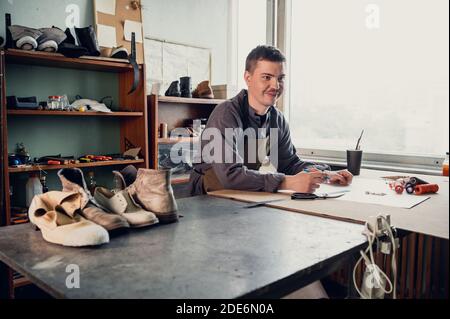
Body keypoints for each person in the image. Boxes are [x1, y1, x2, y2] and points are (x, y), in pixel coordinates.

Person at [188, 45, 353, 196]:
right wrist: (288, 182)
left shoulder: (277, 119)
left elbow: (290, 164)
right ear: (248, 78)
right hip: (206, 200)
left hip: (243, 195)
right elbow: (230, 176)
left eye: (280, 78)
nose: (275, 85)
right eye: (266, 77)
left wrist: (324, 175)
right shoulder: (226, 114)